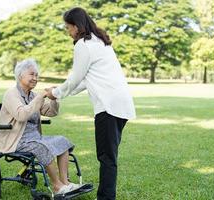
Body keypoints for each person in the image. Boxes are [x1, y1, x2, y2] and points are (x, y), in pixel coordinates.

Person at [45, 7, 136, 200]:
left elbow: (75, 78)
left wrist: (54, 93)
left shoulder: (83, 45)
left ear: (77, 27)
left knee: (107, 157)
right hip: (122, 105)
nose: (68, 32)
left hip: (108, 106)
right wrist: (59, 94)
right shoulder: (100, 42)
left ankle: (106, 198)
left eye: (68, 28)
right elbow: (86, 80)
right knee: (109, 156)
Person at [0, 59, 80, 195]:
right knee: (40, 147)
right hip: (17, 140)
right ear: (20, 76)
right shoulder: (11, 94)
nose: (35, 78)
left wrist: (54, 99)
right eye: (32, 75)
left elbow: (51, 112)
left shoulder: (33, 95)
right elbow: (21, 115)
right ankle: (57, 186)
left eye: (37, 75)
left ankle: (65, 182)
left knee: (62, 141)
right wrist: (40, 96)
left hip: (34, 138)